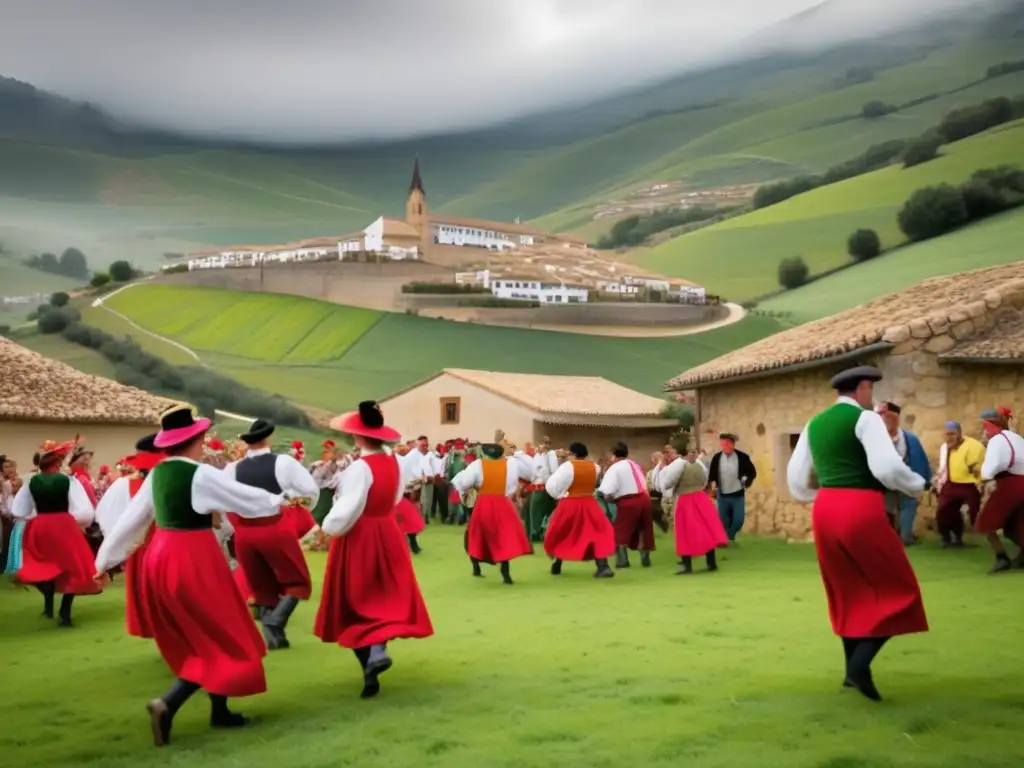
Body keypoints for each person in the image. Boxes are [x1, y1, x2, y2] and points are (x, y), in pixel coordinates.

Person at [94, 404, 286, 747]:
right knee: (224, 634)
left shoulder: (157, 474)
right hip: (194, 557)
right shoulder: (199, 473)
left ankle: (220, 710)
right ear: (195, 438)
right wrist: (282, 499)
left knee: (205, 634)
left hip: (161, 557)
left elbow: (130, 521)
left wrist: (104, 561)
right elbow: (245, 499)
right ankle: (168, 704)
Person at [787, 365, 929, 702]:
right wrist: (917, 485)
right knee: (900, 588)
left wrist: (815, 497)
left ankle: (852, 669)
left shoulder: (814, 423)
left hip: (826, 509)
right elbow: (887, 467)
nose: (873, 397)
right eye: (871, 390)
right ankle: (859, 666)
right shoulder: (865, 420)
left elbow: (796, 475)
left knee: (846, 588)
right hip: (860, 507)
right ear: (863, 388)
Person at [314, 402, 434, 699]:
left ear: (357, 437)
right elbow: (394, 497)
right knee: (385, 593)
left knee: (355, 597)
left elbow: (347, 509)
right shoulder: (393, 463)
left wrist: (326, 528)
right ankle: (377, 651)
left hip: (361, 534)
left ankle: (371, 658)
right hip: (388, 530)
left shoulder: (360, 468)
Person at [221, 419, 320, 650]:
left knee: (261, 585)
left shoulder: (232, 469)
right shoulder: (284, 463)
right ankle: (277, 621)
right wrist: (297, 506)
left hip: (245, 533)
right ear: (268, 439)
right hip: (275, 527)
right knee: (297, 581)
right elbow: (310, 492)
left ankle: (275, 639)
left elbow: (224, 501)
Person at [11, 439, 100, 626]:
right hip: (64, 526)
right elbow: (85, 512)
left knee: (46, 566)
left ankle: (48, 606)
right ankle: (65, 613)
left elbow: (19, 511)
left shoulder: (32, 482)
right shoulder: (67, 480)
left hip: (41, 526)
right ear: (58, 463)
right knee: (73, 567)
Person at [95, 433, 167, 638]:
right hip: (164, 544)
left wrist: (120, 545)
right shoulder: (174, 477)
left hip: (141, 547)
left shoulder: (124, 484)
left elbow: (106, 517)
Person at [451, 443, 533, 583]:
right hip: (503, 503)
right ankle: (505, 571)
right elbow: (530, 474)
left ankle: (476, 566)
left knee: (475, 535)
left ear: (484, 453)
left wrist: (473, 487)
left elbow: (462, 483)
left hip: (484, 503)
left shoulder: (478, 464)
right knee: (504, 536)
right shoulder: (511, 464)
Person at [543, 442, 616, 578]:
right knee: (596, 533)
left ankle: (557, 563)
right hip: (590, 504)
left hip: (571, 503)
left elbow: (552, 486)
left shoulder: (568, 467)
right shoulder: (595, 467)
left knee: (562, 532)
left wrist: (560, 495)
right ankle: (603, 566)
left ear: (573, 454)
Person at [656, 447, 726, 574]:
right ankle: (707, 563)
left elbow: (667, 483)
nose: (693, 455)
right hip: (698, 498)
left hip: (688, 499)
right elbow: (704, 480)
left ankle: (693, 565)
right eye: (691, 452)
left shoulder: (680, 466)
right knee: (700, 530)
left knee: (690, 531)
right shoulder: (694, 465)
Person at [974, 408, 1024, 573]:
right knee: (1014, 524)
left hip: (1009, 484)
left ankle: (1001, 558)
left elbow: (994, 465)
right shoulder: (1017, 437)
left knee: (986, 523)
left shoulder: (997, 440)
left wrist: (985, 478)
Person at [876, 402, 932, 545]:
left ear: (896, 418)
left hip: (906, 483)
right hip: (885, 484)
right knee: (885, 512)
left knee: (908, 508)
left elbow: (920, 459)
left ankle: (905, 538)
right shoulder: (877, 440)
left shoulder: (910, 439)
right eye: (882, 417)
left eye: (887, 417)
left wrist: (924, 481)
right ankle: (888, 539)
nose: (884, 420)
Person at [599, 441, 654, 569]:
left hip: (629, 501)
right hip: (644, 499)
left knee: (621, 530)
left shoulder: (615, 468)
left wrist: (607, 499)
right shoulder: (635, 464)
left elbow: (606, 490)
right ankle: (645, 557)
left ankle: (622, 561)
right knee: (644, 529)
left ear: (614, 454)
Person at [934, 421, 985, 547]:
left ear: (959, 434)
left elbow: (976, 467)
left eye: (952, 434)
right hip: (950, 484)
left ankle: (962, 537)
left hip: (969, 485)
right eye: (947, 434)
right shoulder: (944, 447)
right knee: (943, 512)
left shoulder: (973, 446)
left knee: (974, 512)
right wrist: (937, 480)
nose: (949, 437)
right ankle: (946, 538)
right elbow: (943, 467)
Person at [706, 433, 757, 545]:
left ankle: (728, 536)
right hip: (722, 494)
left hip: (737, 494)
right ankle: (724, 539)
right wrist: (711, 486)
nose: (725, 446)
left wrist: (746, 481)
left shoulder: (742, 457)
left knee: (738, 520)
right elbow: (712, 474)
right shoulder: (717, 458)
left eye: (728, 444)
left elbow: (752, 472)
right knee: (723, 520)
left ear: (733, 445)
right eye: (723, 444)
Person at [525, 437, 559, 542]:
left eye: (549, 443)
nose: (547, 445)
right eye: (545, 443)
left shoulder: (552, 455)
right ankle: (535, 534)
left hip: (548, 487)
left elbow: (553, 471)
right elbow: (533, 473)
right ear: (540, 443)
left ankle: (545, 534)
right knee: (535, 512)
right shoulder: (537, 456)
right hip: (537, 487)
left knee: (549, 512)